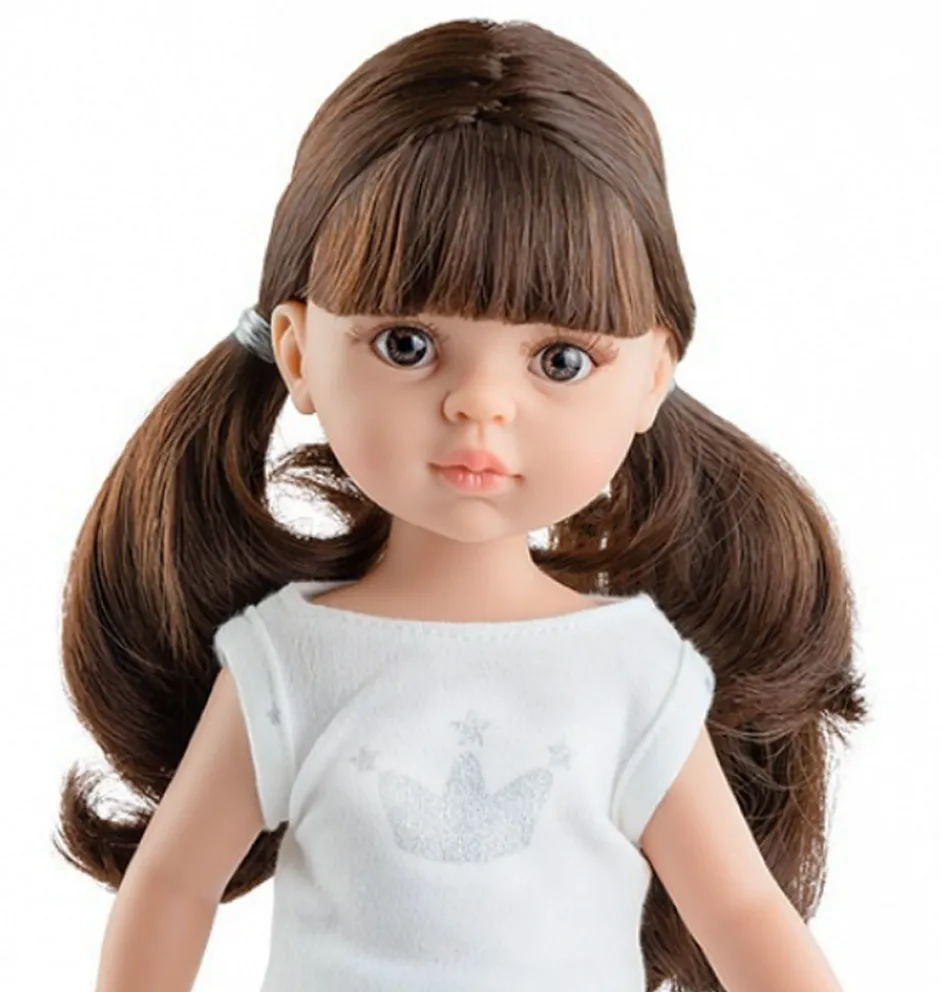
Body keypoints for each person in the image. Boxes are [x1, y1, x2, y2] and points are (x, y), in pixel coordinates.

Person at [54, 16, 866, 992]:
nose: (481, 403)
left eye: (560, 360)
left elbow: (738, 910)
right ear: (300, 352)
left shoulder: (632, 670)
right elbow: (173, 884)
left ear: (653, 375)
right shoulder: (290, 661)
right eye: (407, 345)